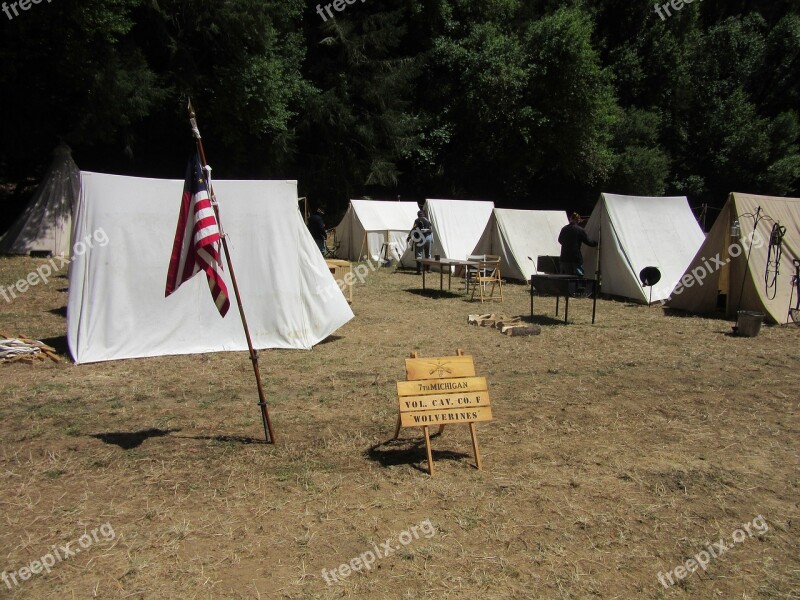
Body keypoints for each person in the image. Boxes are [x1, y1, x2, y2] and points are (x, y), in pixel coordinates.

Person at [558, 212, 597, 278]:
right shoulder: (580, 230)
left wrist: (567, 244)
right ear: (578, 220)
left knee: (566, 278)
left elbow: (560, 240)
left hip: (564, 256)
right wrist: (596, 243)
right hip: (575, 257)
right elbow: (588, 242)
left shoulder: (564, 229)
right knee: (578, 277)